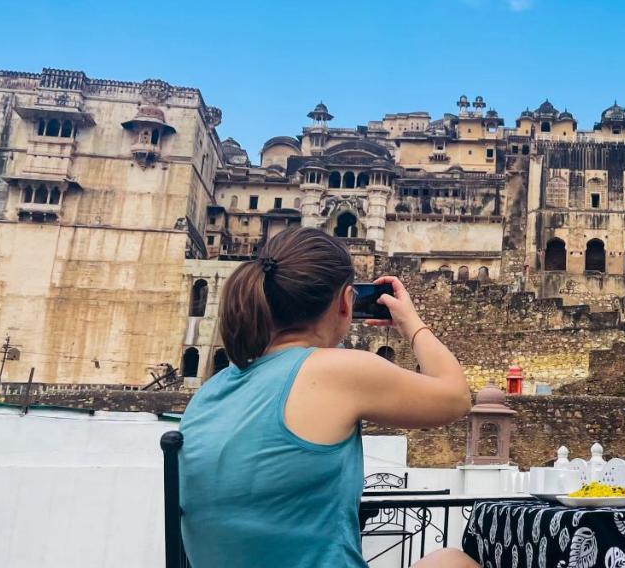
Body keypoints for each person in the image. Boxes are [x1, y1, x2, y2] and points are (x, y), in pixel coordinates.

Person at [179, 227, 476, 568]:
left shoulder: (210, 392)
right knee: (453, 561)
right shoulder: (332, 371)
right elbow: (455, 398)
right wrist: (411, 323)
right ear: (345, 302)